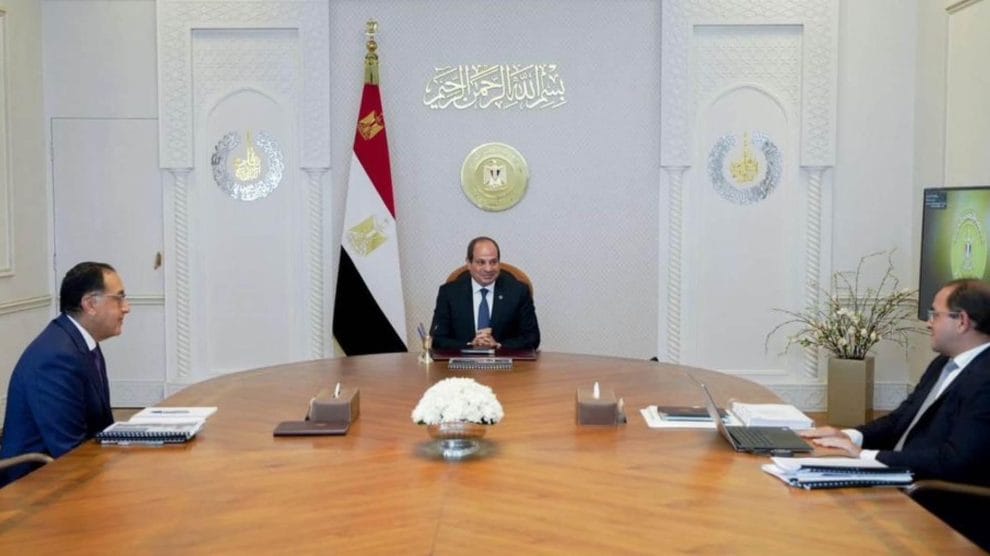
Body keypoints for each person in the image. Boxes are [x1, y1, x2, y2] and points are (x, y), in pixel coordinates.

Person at [801, 278, 990, 485]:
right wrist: (849, 436)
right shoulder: (943, 363)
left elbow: (954, 461)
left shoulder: (985, 380)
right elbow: (900, 420)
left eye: (935, 315)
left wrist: (865, 456)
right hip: (897, 475)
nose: (929, 323)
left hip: (927, 493)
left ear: (962, 321)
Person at [0, 262, 130, 487]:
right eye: (119, 298)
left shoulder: (80, 342)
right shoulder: (56, 357)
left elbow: (100, 428)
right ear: (90, 304)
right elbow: (69, 451)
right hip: (34, 487)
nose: (126, 308)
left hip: (73, 472)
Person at [430, 236, 540, 350]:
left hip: (505, 359)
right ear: (469, 263)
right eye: (481, 262)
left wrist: (498, 345)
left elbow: (532, 338)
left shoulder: (518, 292)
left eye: (493, 262)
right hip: (462, 359)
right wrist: (469, 345)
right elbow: (437, 339)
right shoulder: (449, 293)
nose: (488, 269)